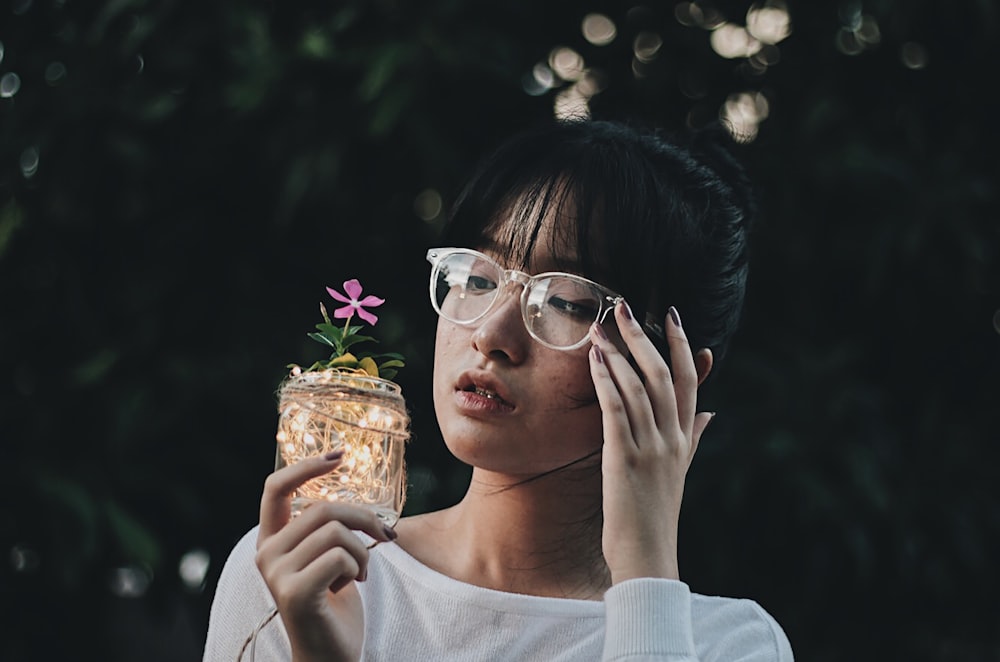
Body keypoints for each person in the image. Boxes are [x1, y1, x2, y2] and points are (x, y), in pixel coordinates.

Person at [202, 118, 794, 661]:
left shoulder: (728, 644)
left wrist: (646, 574)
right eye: (476, 277)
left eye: (565, 302)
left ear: (675, 373)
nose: (490, 334)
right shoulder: (304, 570)